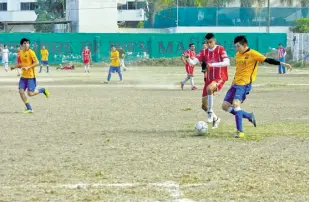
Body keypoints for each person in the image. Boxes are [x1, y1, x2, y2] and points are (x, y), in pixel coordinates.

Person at [222, 35, 292, 138]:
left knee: (236, 104)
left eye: (238, 46)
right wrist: (233, 82)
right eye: (235, 47)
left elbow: (268, 60)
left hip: (244, 85)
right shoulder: (238, 55)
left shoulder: (253, 54)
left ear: (244, 45)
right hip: (235, 84)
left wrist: (282, 63)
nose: (236, 49)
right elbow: (239, 70)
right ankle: (248, 116)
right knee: (224, 106)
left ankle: (240, 131)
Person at [187, 33, 230, 129]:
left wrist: (212, 64)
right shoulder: (204, 52)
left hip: (219, 77)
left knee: (210, 88)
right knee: (203, 106)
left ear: (214, 41)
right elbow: (194, 62)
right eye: (207, 42)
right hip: (209, 78)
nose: (209, 44)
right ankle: (216, 118)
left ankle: (210, 112)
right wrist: (188, 59)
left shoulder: (220, 49)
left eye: (211, 42)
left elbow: (227, 62)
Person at [11, 38, 50, 114]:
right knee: (21, 91)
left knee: (30, 94)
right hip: (23, 76)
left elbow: (37, 62)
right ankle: (29, 108)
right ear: (22, 45)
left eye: (28, 43)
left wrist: (28, 67)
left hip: (30, 76)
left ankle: (42, 90)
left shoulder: (31, 52)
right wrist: (14, 67)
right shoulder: (21, 52)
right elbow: (21, 64)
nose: (26, 45)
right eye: (25, 43)